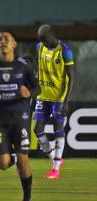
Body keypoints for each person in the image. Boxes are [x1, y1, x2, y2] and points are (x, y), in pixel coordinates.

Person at [0, 31, 39, 201]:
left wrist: (29, 93)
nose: (2, 42)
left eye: (6, 39)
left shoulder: (24, 66)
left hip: (20, 118)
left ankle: (26, 200)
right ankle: (11, 157)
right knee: (3, 164)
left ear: (14, 44)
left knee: (23, 161)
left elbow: (38, 88)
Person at [33, 24, 75, 179]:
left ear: (51, 35)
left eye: (44, 39)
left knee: (58, 128)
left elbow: (72, 78)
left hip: (58, 97)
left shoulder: (65, 51)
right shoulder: (39, 47)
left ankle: (55, 169)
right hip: (43, 96)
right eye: (40, 40)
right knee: (37, 130)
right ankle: (55, 158)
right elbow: (38, 67)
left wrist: (66, 101)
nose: (42, 42)